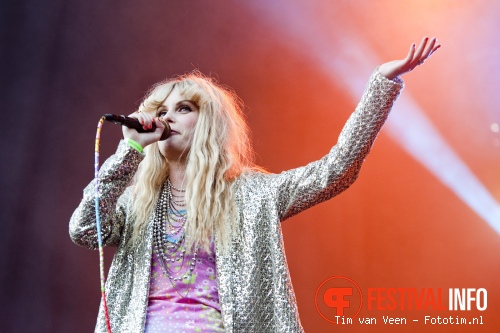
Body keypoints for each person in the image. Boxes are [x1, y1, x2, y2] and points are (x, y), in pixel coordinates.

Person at [70, 37, 440, 333]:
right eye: (162, 111)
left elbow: (335, 171)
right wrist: (130, 149)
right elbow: (84, 229)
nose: (168, 118)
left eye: (184, 108)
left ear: (209, 124)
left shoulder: (252, 194)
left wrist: (381, 84)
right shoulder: (138, 202)